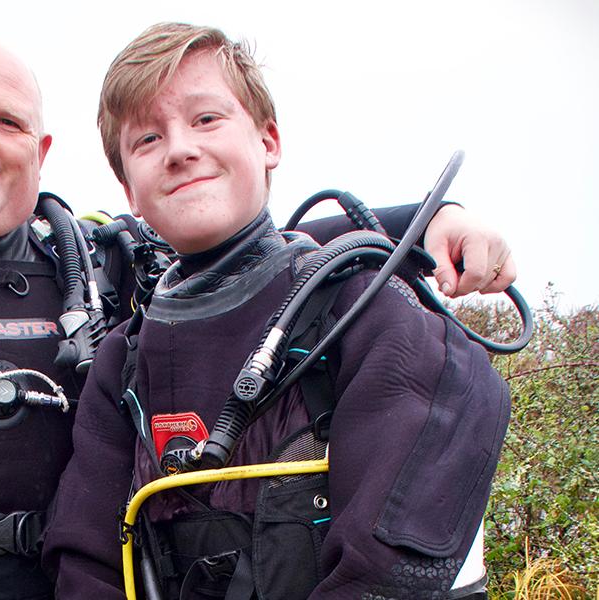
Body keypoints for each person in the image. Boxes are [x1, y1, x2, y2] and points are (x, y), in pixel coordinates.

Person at [0, 39, 510, 600]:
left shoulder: (109, 268)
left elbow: (255, 258)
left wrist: (425, 227)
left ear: (42, 151)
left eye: (7, 122)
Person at [42, 23, 510, 599]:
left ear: (268, 142)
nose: (181, 149)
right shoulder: (123, 361)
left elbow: (391, 566)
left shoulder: (364, 312)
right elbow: (84, 560)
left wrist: (439, 217)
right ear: (128, 191)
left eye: (206, 119)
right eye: (147, 140)